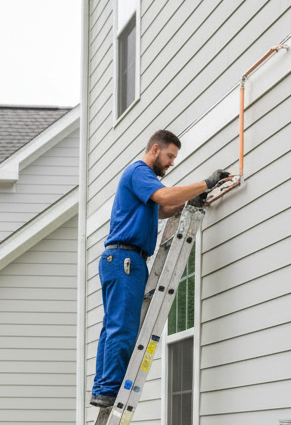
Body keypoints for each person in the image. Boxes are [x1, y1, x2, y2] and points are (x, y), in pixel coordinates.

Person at [92, 129, 230, 408]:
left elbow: (163, 209)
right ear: (155, 149)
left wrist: (189, 203)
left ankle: (103, 388)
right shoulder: (140, 171)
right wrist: (206, 183)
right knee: (122, 327)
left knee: (112, 326)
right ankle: (109, 389)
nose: (171, 163)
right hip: (126, 260)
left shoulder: (141, 182)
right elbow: (165, 198)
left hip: (120, 260)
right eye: (169, 156)